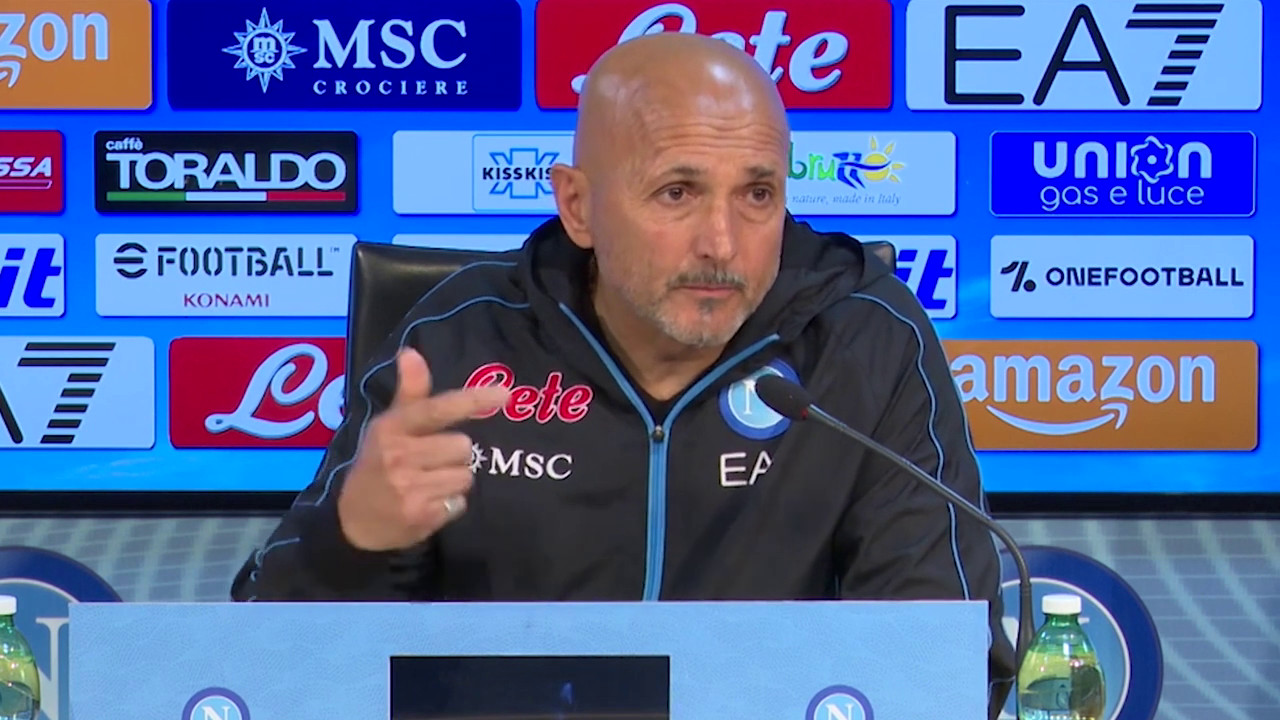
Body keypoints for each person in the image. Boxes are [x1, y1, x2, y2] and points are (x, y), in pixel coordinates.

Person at [230, 32, 1016, 717]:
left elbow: (944, 660)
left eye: (757, 194)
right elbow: (260, 661)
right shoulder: (460, 339)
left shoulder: (864, 340)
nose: (722, 242)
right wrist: (351, 540)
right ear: (578, 206)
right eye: (678, 192)